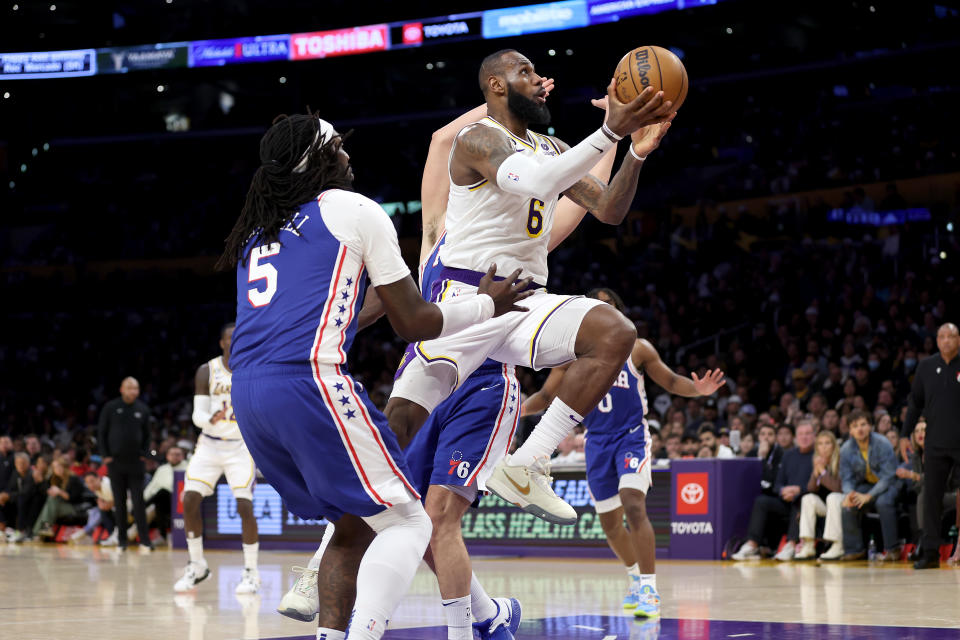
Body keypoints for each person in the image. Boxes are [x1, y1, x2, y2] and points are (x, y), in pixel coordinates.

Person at [277, 80, 620, 640]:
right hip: (431, 360)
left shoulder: (515, 240)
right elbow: (443, 140)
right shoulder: (438, 228)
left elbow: (585, 205)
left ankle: (461, 622)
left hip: (487, 374)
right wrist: (506, 109)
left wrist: (608, 140)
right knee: (388, 494)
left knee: (435, 518)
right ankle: (481, 613)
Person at [218, 112, 529, 640]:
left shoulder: (259, 227)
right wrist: (484, 304)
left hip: (249, 394)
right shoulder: (353, 208)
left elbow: (324, 312)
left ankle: (338, 634)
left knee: (353, 520)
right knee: (411, 521)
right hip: (307, 382)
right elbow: (415, 323)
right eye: (338, 146)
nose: (347, 154)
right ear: (315, 159)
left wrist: (379, 303)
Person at [386, 49, 675, 527]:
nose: (540, 80)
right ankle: (322, 559)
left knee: (615, 333)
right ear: (496, 86)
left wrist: (637, 151)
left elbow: (608, 209)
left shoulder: (552, 149)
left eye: (538, 72)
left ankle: (528, 463)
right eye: (526, 72)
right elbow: (538, 181)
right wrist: (610, 132)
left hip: (521, 301)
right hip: (462, 301)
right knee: (399, 429)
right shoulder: (478, 138)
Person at [522, 288, 725, 618]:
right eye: (595, 307)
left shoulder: (637, 348)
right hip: (597, 441)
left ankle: (649, 588)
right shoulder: (573, 355)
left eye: (609, 306)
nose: (603, 311)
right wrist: (516, 410)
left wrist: (698, 390)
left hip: (631, 437)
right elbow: (545, 396)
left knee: (633, 502)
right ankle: (633, 579)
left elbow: (672, 382)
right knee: (611, 524)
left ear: (618, 311)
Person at [175, 324, 262, 594]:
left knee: (244, 506)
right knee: (189, 499)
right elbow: (197, 414)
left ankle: (251, 572)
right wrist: (208, 419)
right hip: (210, 445)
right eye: (230, 338)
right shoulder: (207, 370)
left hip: (241, 447)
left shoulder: (253, 369)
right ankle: (197, 564)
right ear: (222, 342)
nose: (235, 342)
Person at [901, 323, 960, 569]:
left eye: (951, 336)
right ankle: (930, 552)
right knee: (931, 497)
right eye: (942, 337)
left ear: (959, 339)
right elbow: (914, 403)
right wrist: (905, 434)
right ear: (936, 341)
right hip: (936, 443)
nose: (946, 341)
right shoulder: (925, 367)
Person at [732, 419, 814, 561]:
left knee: (800, 500)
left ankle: (791, 545)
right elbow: (777, 483)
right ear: (796, 437)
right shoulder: (788, 455)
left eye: (808, 433)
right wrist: (783, 491)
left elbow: (818, 486)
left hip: (806, 500)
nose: (804, 437)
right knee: (761, 501)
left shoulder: (816, 455)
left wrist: (799, 490)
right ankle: (752, 544)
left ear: (814, 435)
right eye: (801, 434)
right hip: (786, 500)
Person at [97, 376, 152, 551]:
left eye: (135, 388)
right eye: (129, 388)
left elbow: (148, 435)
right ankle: (122, 541)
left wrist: (144, 453)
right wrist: (105, 456)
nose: (132, 391)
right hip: (116, 462)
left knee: (138, 502)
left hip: (136, 462)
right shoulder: (111, 408)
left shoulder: (142, 409)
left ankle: (144, 540)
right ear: (121, 389)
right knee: (119, 502)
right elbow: (101, 433)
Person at [839, 409, 899, 561]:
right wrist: (850, 493)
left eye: (863, 424)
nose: (859, 429)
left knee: (883, 502)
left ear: (870, 426)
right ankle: (854, 550)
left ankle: (893, 549)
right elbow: (846, 478)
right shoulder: (846, 449)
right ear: (850, 430)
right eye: (854, 426)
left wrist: (869, 495)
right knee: (849, 504)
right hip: (867, 485)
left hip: (891, 483)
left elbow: (888, 476)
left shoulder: (882, 443)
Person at [795, 430, 844, 560]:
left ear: (834, 446)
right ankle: (808, 544)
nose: (824, 447)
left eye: (827, 443)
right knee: (807, 498)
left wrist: (822, 472)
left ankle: (837, 545)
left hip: (841, 504)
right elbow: (811, 489)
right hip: (826, 507)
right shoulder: (817, 462)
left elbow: (837, 489)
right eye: (820, 444)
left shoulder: (840, 462)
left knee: (832, 497)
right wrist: (816, 473)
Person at [31, 456, 85, 537]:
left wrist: (59, 491)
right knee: (49, 502)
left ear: (64, 466)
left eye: (59, 466)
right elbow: (47, 492)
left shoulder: (73, 479)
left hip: (74, 507)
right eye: (55, 467)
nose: (57, 469)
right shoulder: (56, 480)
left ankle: (37, 533)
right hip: (59, 507)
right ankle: (41, 531)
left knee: (51, 502)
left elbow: (73, 498)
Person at [143, 445, 187, 541]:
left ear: (183, 456)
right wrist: (142, 498)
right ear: (167, 456)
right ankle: (162, 536)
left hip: (181, 501)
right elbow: (152, 486)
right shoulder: (162, 469)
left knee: (162, 492)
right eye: (172, 454)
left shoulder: (188, 468)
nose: (174, 457)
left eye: (177, 454)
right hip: (161, 500)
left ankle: (139, 508)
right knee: (159, 501)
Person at [71, 471, 115, 544]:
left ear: (98, 478)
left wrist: (104, 505)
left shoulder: (107, 485)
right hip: (114, 508)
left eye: (92, 481)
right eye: (88, 483)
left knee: (102, 511)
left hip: (126, 509)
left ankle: (86, 532)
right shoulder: (98, 488)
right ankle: (87, 532)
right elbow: (104, 502)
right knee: (94, 511)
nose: (90, 484)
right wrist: (102, 504)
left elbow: (118, 502)